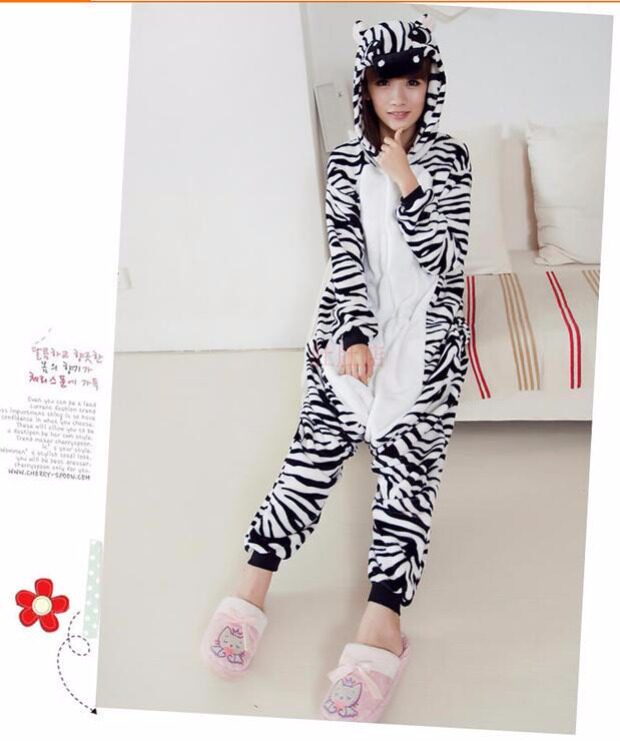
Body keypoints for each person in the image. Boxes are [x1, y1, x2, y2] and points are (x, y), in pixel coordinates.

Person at [200, 16, 473, 723]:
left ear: (430, 85)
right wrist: (353, 332)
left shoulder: (452, 159)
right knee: (309, 461)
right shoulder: (345, 161)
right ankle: (253, 585)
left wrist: (407, 182)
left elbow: (446, 261)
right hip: (351, 331)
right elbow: (345, 252)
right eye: (386, 82)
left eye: (413, 81)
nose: (400, 97)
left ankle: (383, 623)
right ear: (366, 87)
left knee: (407, 479)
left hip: (428, 341)